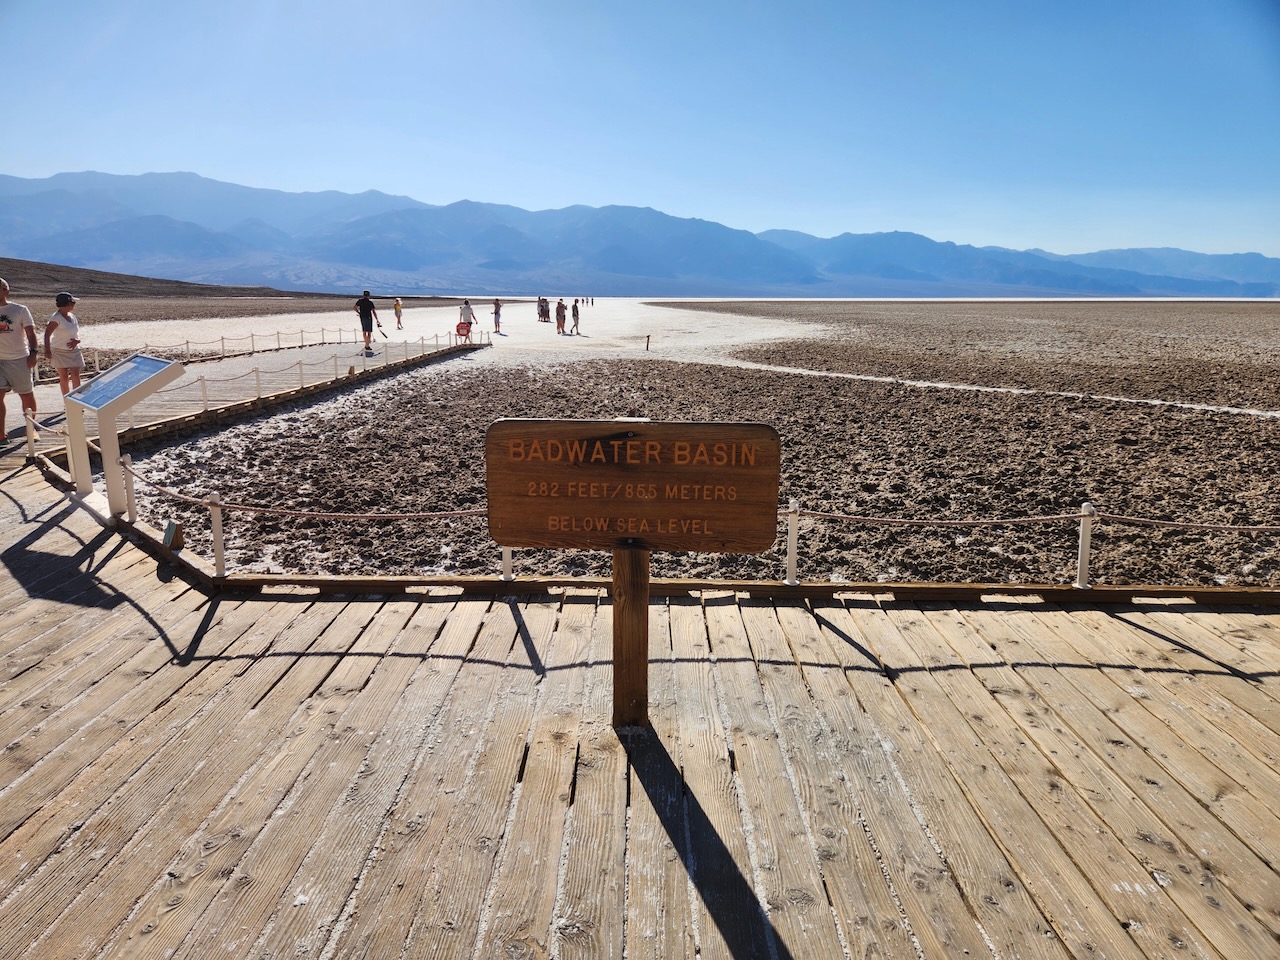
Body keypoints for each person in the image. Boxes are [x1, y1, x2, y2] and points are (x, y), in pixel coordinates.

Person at [0, 278, 38, 443]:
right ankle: (1, 434)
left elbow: (31, 333)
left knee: (26, 395)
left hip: (18, 359)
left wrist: (33, 353)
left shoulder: (20, 310)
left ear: (6, 290)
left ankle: (31, 429)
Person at [44, 292, 85, 395]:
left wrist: (77, 340)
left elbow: (76, 332)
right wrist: (47, 350)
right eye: (72, 302)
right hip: (59, 351)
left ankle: (77, 400)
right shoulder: (56, 318)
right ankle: (67, 400)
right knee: (64, 377)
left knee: (75, 375)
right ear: (67, 304)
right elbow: (47, 334)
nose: (74, 305)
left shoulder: (72, 316)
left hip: (74, 350)